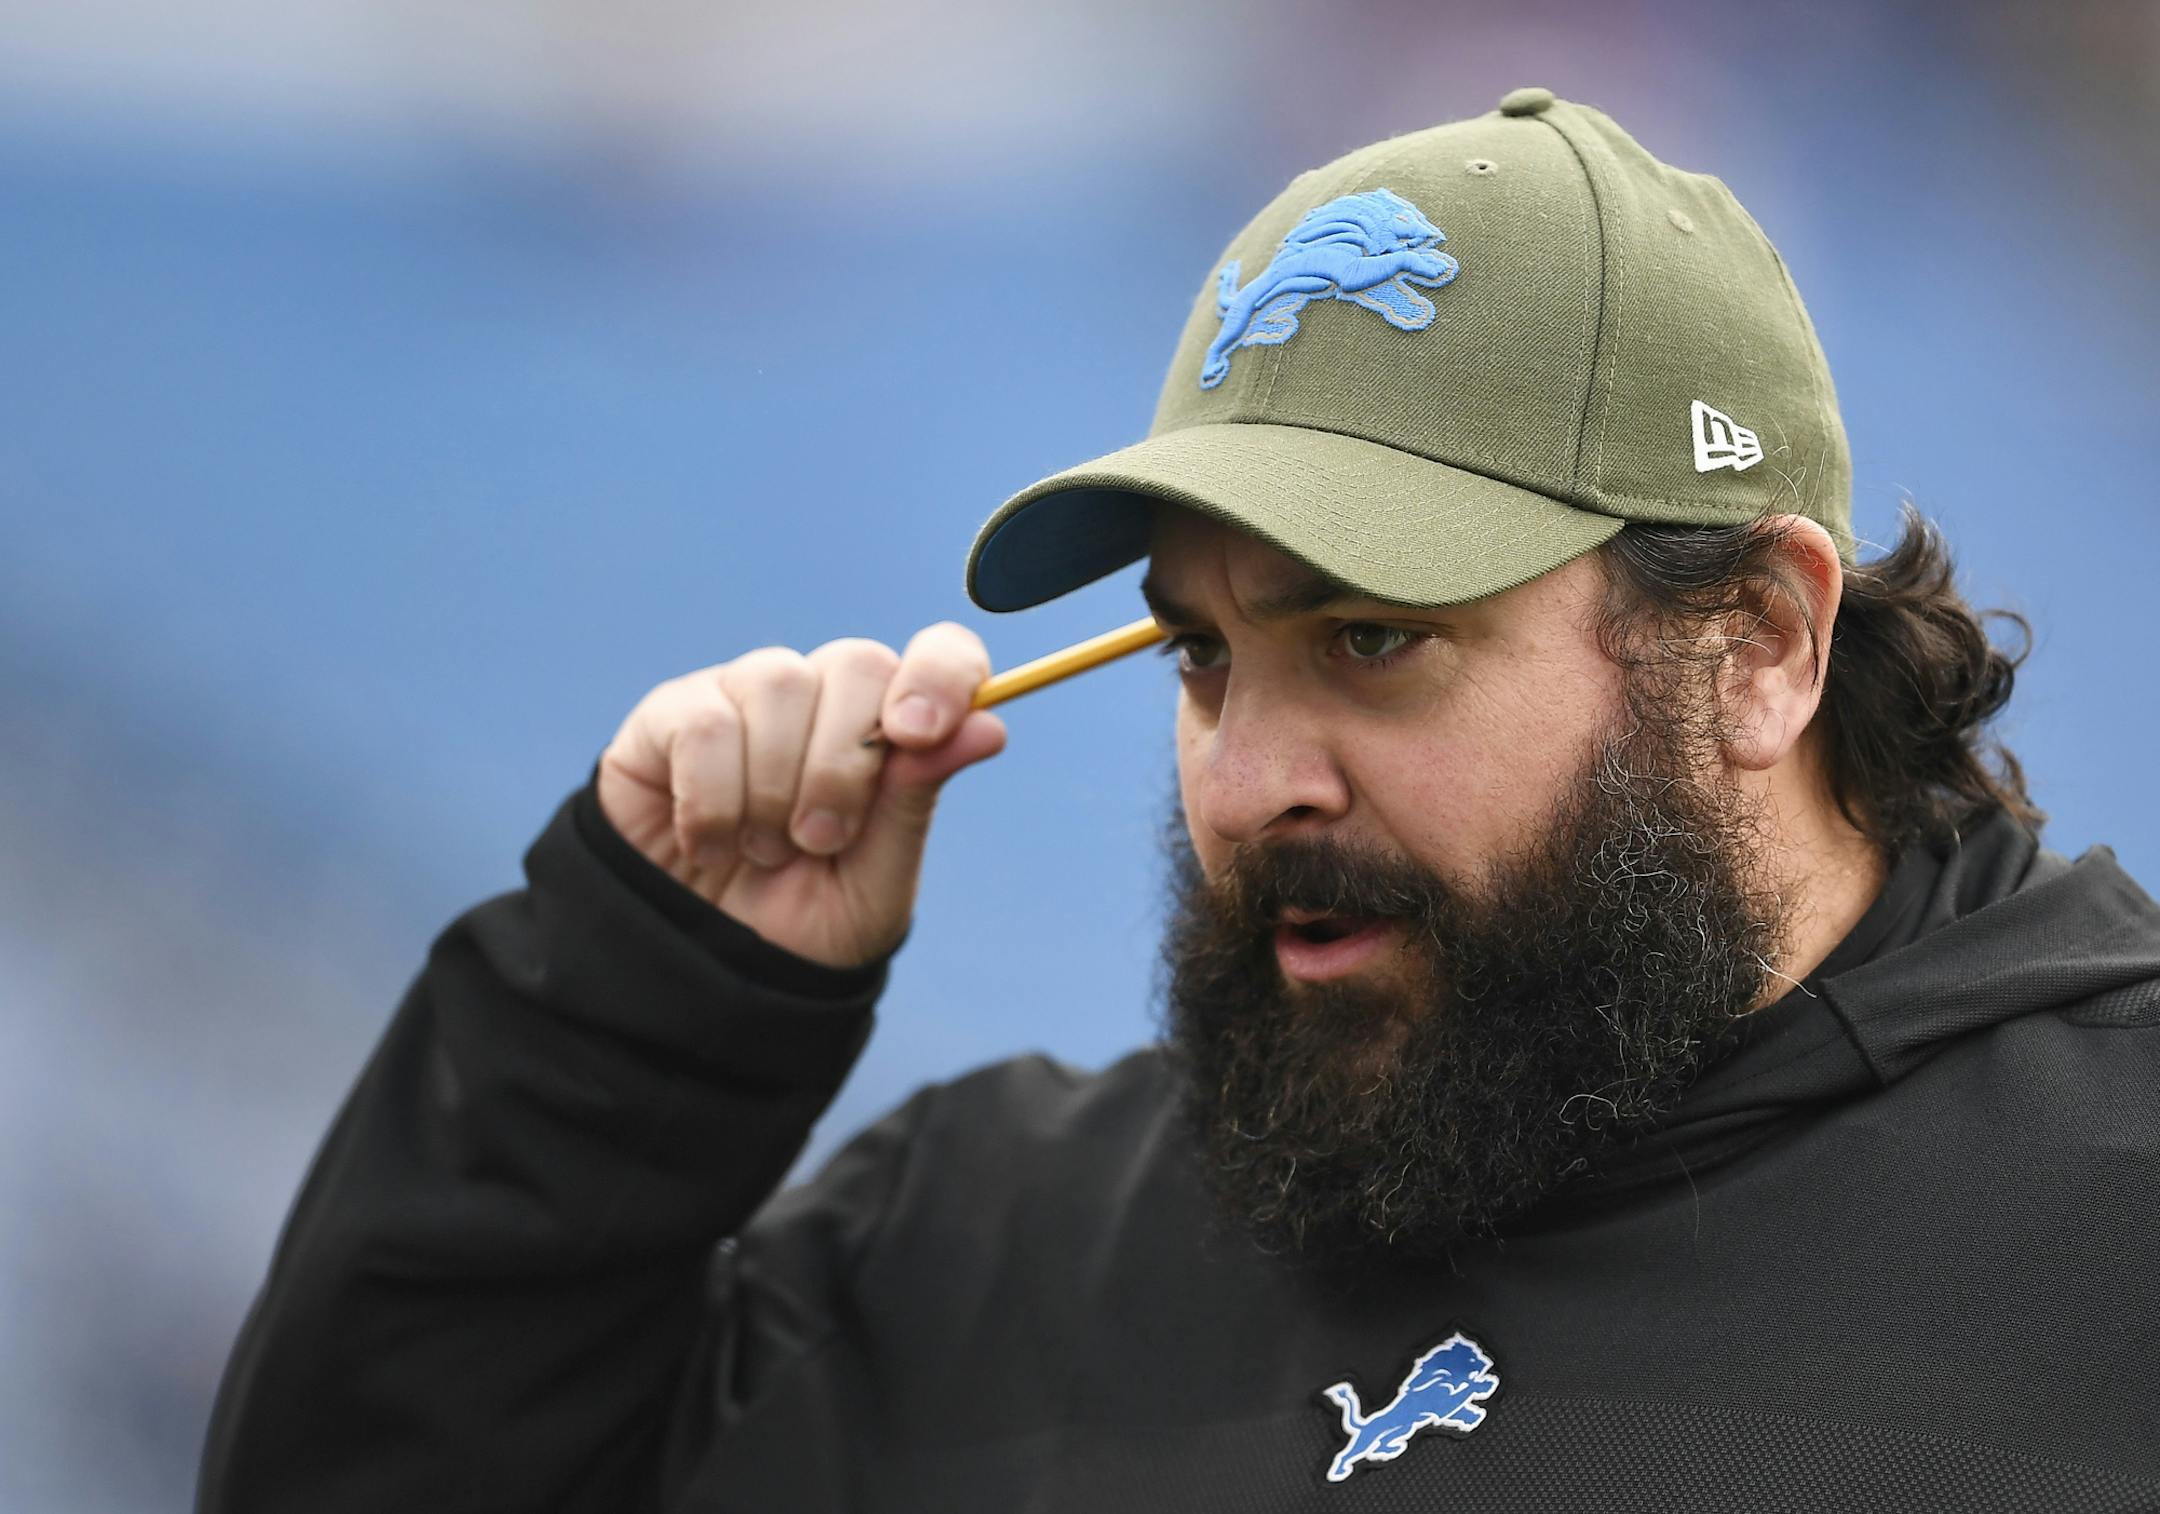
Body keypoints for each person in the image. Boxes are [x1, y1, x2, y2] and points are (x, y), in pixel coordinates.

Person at [197, 89, 2160, 1511]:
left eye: (1376, 639)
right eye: (1205, 655)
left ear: (1759, 642)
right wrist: (630, 1023)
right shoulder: (987, 1248)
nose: (1247, 777)